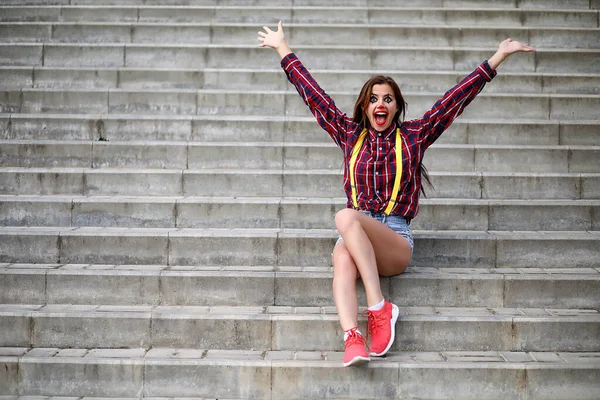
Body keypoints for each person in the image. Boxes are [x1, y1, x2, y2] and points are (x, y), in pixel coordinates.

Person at [258, 21, 534, 367]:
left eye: (387, 99)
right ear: (364, 105)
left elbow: (455, 99)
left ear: (396, 106)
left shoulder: (414, 137)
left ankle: (379, 307)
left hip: (395, 240)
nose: (380, 104)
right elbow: (312, 94)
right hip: (357, 235)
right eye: (373, 98)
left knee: (344, 216)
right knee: (342, 257)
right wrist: (283, 48)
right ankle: (353, 338)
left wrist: (498, 57)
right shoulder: (348, 134)